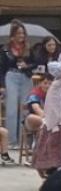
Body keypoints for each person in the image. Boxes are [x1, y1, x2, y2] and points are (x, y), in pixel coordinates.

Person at [2, 20, 35, 150]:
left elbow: (35, 63)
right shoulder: (6, 49)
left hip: (25, 77)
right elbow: (2, 67)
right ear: (13, 34)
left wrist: (28, 66)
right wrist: (2, 85)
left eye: (23, 33)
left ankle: (24, 141)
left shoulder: (28, 48)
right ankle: (11, 141)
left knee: (25, 108)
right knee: (11, 109)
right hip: (11, 76)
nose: (21, 35)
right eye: (18, 33)